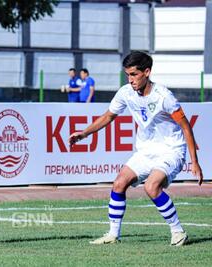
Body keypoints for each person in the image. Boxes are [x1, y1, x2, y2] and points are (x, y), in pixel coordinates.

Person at [68, 51, 203, 246]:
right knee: (119, 183)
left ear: (146, 72)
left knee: (151, 186)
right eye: (128, 75)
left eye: (134, 74)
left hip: (171, 150)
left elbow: (185, 126)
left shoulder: (164, 96)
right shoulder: (126, 93)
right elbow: (108, 116)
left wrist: (195, 162)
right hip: (145, 151)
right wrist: (84, 134)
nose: (130, 80)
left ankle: (178, 231)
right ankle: (113, 235)